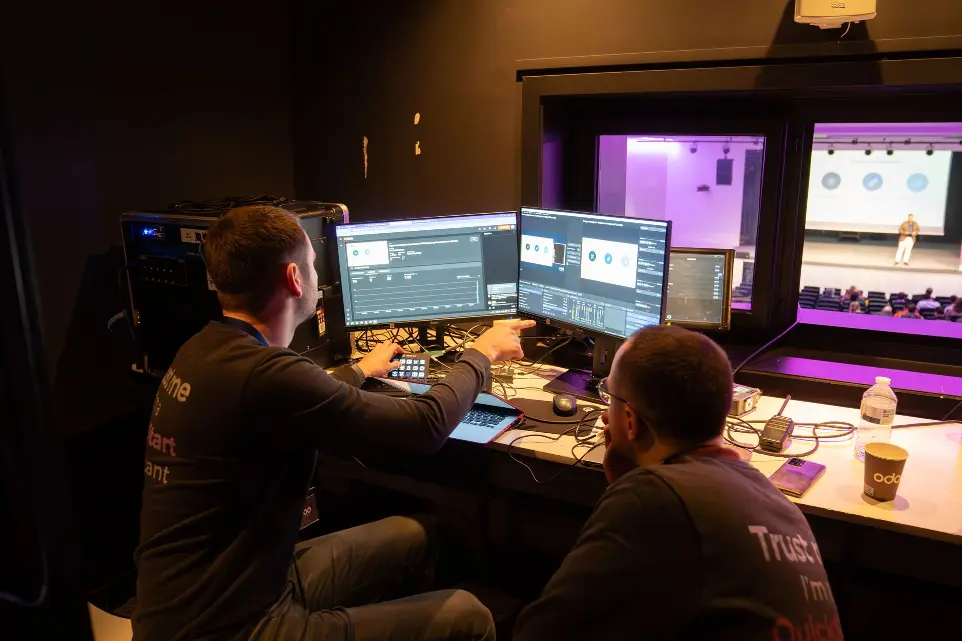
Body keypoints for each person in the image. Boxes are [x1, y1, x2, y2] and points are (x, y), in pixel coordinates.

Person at [133, 205, 534, 641]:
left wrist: (360, 370)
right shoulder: (268, 374)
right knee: (469, 615)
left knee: (415, 534)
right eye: (312, 265)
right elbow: (426, 426)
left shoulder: (204, 349)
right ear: (294, 278)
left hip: (230, 588)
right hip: (234, 626)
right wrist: (481, 353)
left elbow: (291, 394)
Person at [513, 326, 842, 641]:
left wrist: (632, 486)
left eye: (608, 396)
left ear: (629, 421)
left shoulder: (653, 497)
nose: (604, 414)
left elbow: (539, 633)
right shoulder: (782, 507)